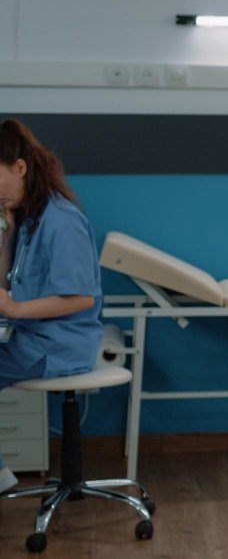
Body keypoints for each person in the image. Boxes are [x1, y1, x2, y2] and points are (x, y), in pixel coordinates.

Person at [0, 119, 103, 493]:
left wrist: (13, 311)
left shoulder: (61, 221)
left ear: (20, 167)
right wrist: (6, 236)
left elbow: (80, 297)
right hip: (34, 338)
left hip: (58, 345)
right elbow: (9, 284)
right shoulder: (29, 220)